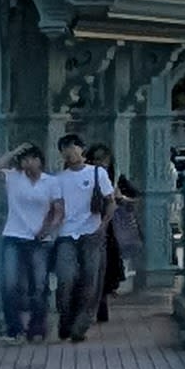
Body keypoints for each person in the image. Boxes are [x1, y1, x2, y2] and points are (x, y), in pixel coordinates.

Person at [49, 136, 115, 341]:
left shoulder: (98, 173)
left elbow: (111, 202)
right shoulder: (58, 178)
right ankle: (65, 317)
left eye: (72, 147)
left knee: (90, 281)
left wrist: (102, 226)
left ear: (82, 149)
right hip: (66, 234)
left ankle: (81, 326)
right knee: (66, 278)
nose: (69, 152)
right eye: (64, 149)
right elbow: (58, 209)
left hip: (91, 233)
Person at [0, 144, 63, 342]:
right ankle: (14, 329)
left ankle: (37, 326)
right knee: (9, 283)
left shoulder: (51, 182)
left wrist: (49, 228)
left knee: (39, 285)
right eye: (24, 159)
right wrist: (13, 152)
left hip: (39, 240)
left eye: (32, 158)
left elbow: (58, 209)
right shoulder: (14, 177)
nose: (28, 163)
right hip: (13, 236)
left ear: (40, 160)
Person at [102, 167, 142, 297]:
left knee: (122, 253)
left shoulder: (120, 185)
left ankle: (117, 283)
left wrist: (121, 199)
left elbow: (134, 199)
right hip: (118, 226)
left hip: (119, 226)